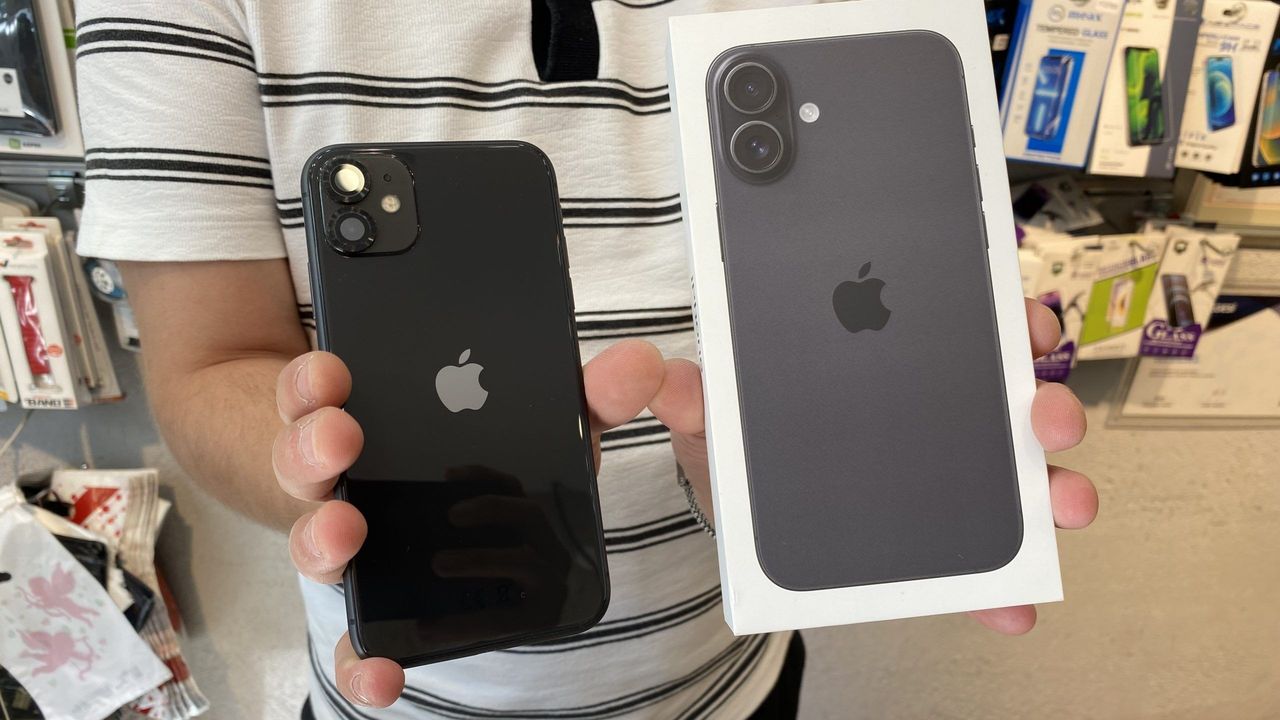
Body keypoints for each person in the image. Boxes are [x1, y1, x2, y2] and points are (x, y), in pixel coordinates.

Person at [73, 1, 1098, 718]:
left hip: (735, 676)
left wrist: (779, 469)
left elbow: (857, 257)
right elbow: (208, 364)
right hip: (414, 697)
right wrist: (327, 468)